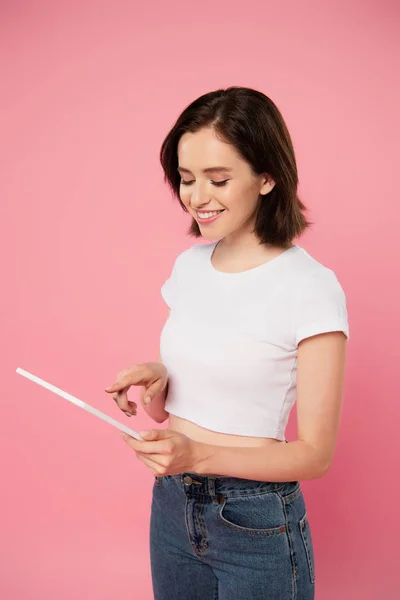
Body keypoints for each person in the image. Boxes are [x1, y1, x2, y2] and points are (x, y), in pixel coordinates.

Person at [105, 87, 349, 600]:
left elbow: (314, 456)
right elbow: (166, 414)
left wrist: (196, 455)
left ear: (267, 177)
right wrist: (157, 379)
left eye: (218, 179)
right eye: (186, 179)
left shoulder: (310, 287)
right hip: (172, 505)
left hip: (254, 519)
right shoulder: (189, 266)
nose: (196, 196)